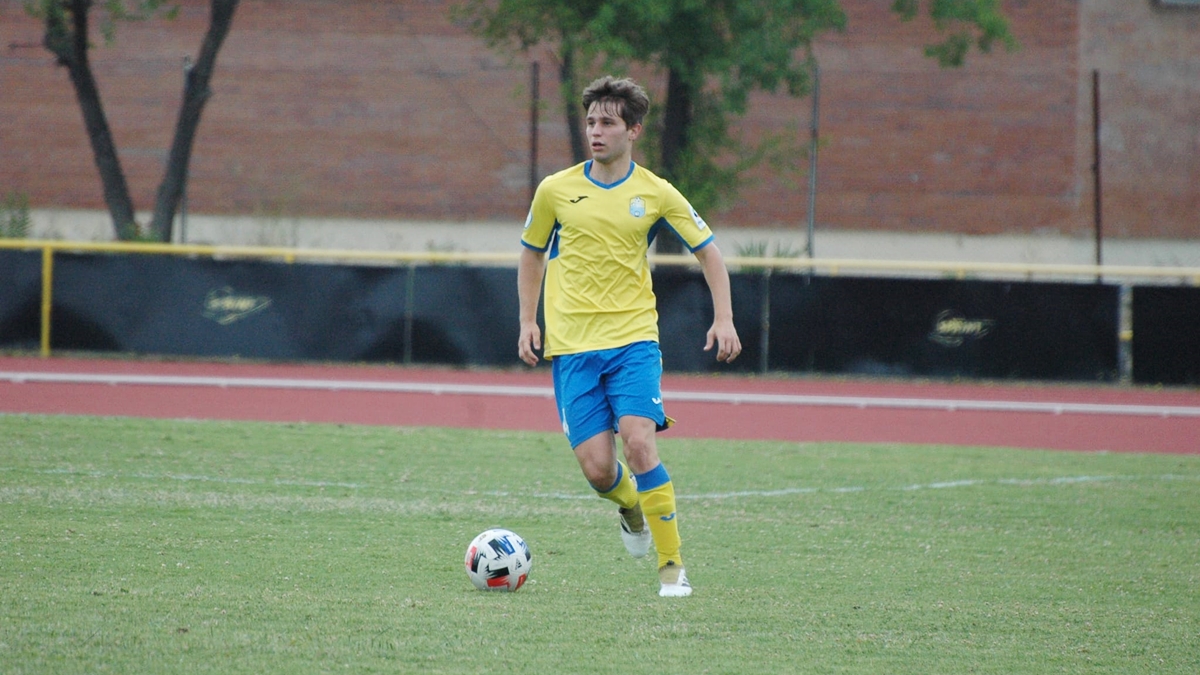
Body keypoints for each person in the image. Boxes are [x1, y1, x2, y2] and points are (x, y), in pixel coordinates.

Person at [517, 75, 742, 597]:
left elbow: (708, 251)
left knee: (640, 442)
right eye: (591, 121)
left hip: (634, 340)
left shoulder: (656, 192)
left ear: (633, 130)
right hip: (573, 347)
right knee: (599, 471)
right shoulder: (555, 189)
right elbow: (531, 254)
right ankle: (631, 507)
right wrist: (529, 320)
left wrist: (724, 317)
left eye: (608, 123)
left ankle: (672, 569)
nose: (596, 131)